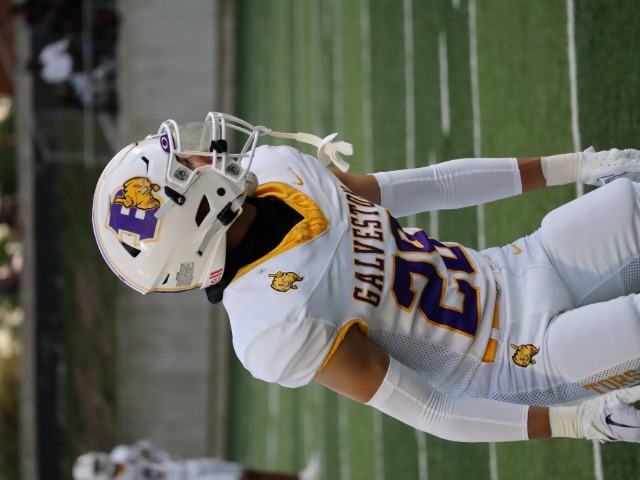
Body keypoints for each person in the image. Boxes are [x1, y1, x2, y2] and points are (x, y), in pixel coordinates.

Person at [93, 112, 640, 443]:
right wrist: (573, 422)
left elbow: (432, 185)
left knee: (632, 203)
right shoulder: (274, 325)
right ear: (194, 214)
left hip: (518, 264)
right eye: (188, 167)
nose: (204, 152)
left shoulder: (282, 173)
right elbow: (433, 409)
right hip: (520, 359)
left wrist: (573, 167)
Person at [72, 439, 321, 480]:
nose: (103, 464)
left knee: (243, 472)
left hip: (187, 468)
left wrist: (165, 456)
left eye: (97, 461)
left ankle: (300, 477)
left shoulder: (121, 453)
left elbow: (149, 447)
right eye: (97, 468)